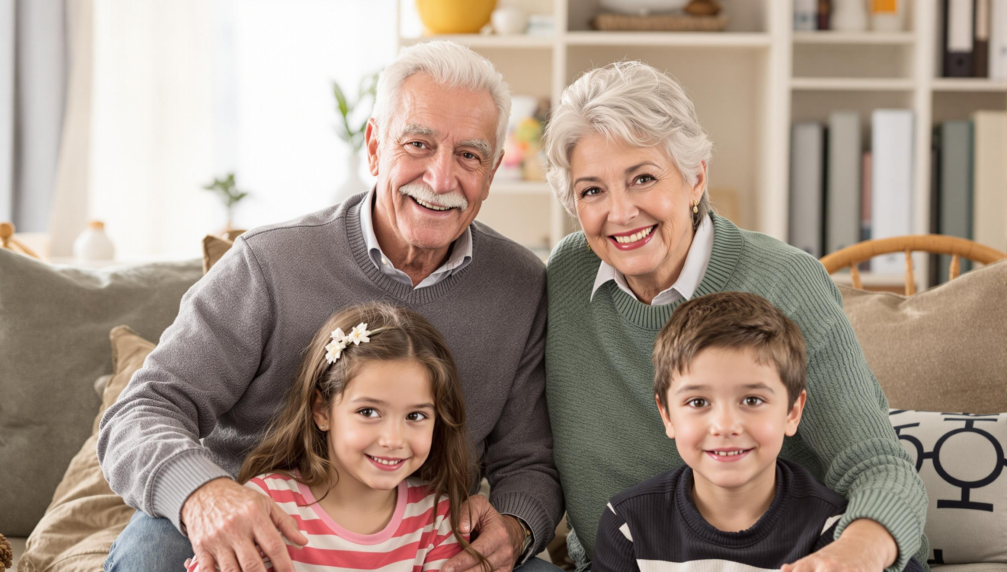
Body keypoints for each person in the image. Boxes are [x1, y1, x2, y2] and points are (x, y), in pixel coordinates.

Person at [99, 40, 563, 572]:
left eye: (469, 155)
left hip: (421, 538)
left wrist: (516, 527)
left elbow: (529, 462)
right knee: (154, 556)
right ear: (373, 147)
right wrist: (204, 495)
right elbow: (142, 411)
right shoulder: (269, 262)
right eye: (418, 145)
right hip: (253, 522)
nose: (441, 179)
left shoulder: (520, 285)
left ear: (494, 168)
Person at [542, 61, 928, 572]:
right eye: (592, 190)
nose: (621, 212)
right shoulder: (566, 276)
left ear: (696, 177)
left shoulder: (785, 280)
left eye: (643, 178)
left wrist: (849, 557)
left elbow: (878, 466)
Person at [593, 292, 925, 572]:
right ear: (667, 415)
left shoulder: (833, 532)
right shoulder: (628, 524)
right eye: (697, 402)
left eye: (752, 400)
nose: (725, 426)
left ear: (792, 412)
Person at [185, 303, 488, 571]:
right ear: (322, 411)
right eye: (369, 412)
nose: (394, 439)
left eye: (415, 416)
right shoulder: (268, 505)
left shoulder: (437, 517)